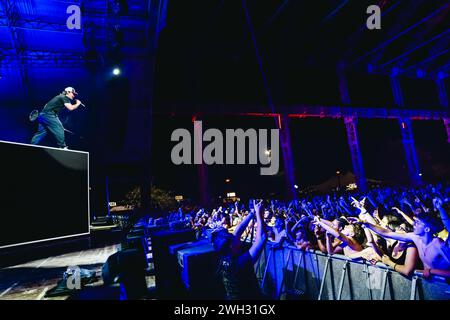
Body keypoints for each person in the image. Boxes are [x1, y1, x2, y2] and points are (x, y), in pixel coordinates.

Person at [211, 200, 268, 300]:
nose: (236, 237)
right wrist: (259, 214)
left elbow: (238, 230)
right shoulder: (240, 262)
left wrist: (252, 213)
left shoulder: (224, 256)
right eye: (233, 238)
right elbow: (262, 238)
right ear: (231, 245)